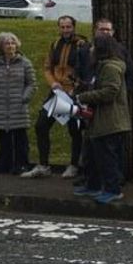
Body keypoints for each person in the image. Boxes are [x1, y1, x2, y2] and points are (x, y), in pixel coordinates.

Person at [22, 16, 89, 179]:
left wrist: (76, 87)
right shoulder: (55, 43)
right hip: (57, 92)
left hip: (73, 93)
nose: (65, 30)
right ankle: (43, 165)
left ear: (74, 27)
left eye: (68, 27)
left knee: (75, 130)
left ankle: (74, 165)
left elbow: (86, 70)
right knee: (41, 125)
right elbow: (47, 67)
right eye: (62, 27)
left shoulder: (82, 44)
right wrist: (52, 83)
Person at [73, 35, 131, 204]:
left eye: (94, 47)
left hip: (110, 121)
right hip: (99, 120)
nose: (90, 50)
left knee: (107, 158)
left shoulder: (111, 68)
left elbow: (110, 92)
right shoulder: (102, 66)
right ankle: (93, 185)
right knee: (93, 155)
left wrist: (84, 97)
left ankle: (113, 190)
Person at [0, 32, 36, 175]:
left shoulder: (25, 63)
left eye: (13, 43)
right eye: (7, 43)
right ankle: (3, 165)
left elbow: (32, 84)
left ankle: (22, 165)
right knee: (4, 137)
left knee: (20, 137)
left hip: (18, 105)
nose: (10, 46)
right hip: (0, 105)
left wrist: (24, 97)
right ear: (1, 46)